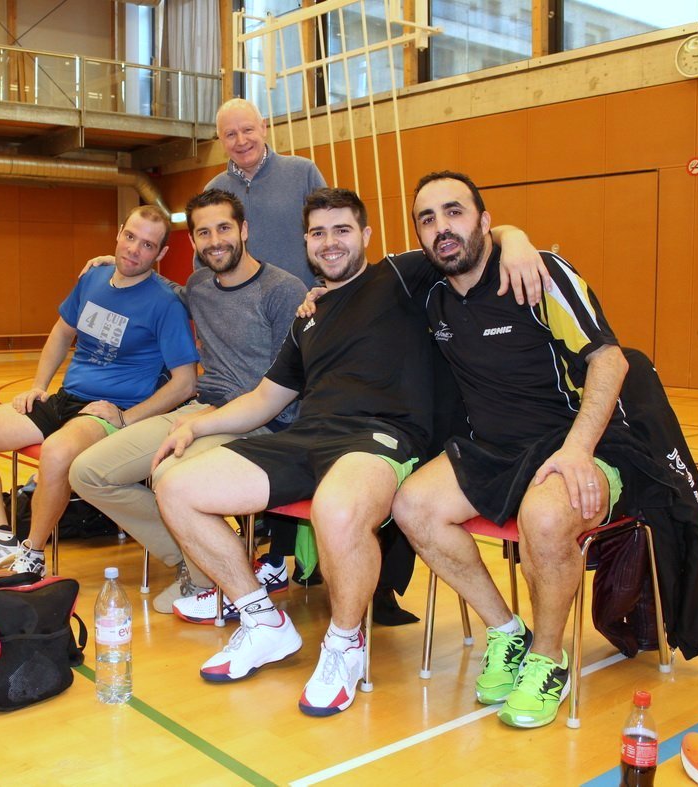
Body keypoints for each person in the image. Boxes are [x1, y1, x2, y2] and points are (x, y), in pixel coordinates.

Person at [153, 188, 546, 717]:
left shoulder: (401, 277)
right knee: (176, 486)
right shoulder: (307, 316)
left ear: (365, 235)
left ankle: (344, 644)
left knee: (335, 510)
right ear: (306, 243)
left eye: (342, 231)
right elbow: (266, 399)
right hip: (309, 436)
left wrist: (515, 238)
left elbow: (464, 239)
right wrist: (195, 426)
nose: (330, 242)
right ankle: (262, 620)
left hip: (382, 436)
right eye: (318, 233)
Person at [390, 170, 635, 729]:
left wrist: (577, 451)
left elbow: (610, 361)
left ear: (484, 220)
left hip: (583, 440)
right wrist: (316, 296)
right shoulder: (431, 295)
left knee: (544, 518)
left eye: (454, 212)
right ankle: (507, 631)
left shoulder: (537, 274)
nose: (441, 227)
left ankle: (548, 659)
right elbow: (354, 277)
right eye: (427, 219)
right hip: (495, 449)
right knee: (412, 506)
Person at [0, 205, 199, 582]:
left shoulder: (165, 303)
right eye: (130, 237)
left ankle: (32, 552)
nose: (134, 249)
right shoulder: (93, 278)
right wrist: (39, 385)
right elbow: (61, 332)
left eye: (147, 245)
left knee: (55, 453)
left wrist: (126, 418)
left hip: (108, 410)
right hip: (67, 397)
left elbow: (185, 382)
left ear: (161, 253)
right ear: (119, 232)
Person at [68, 189, 308, 615]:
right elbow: (157, 291)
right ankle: (206, 559)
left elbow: (284, 391)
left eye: (223, 228)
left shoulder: (283, 290)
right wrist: (118, 265)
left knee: (168, 476)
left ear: (244, 230)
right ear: (194, 241)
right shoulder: (198, 286)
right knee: (88, 472)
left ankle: (203, 578)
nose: (215, 240)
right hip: (199, 408)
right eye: (204, 232)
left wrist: (214, 420)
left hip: (260, 421)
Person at [205, 98, 326, 289]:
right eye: (230, 134)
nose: (241, 141)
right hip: (239, 305)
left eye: (247, 130)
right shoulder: (213, 191)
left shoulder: (304, 173)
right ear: (221, 140)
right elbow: (204, 255)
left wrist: (322, 288)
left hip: (304, 301)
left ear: (263, 127)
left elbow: (328, 234)